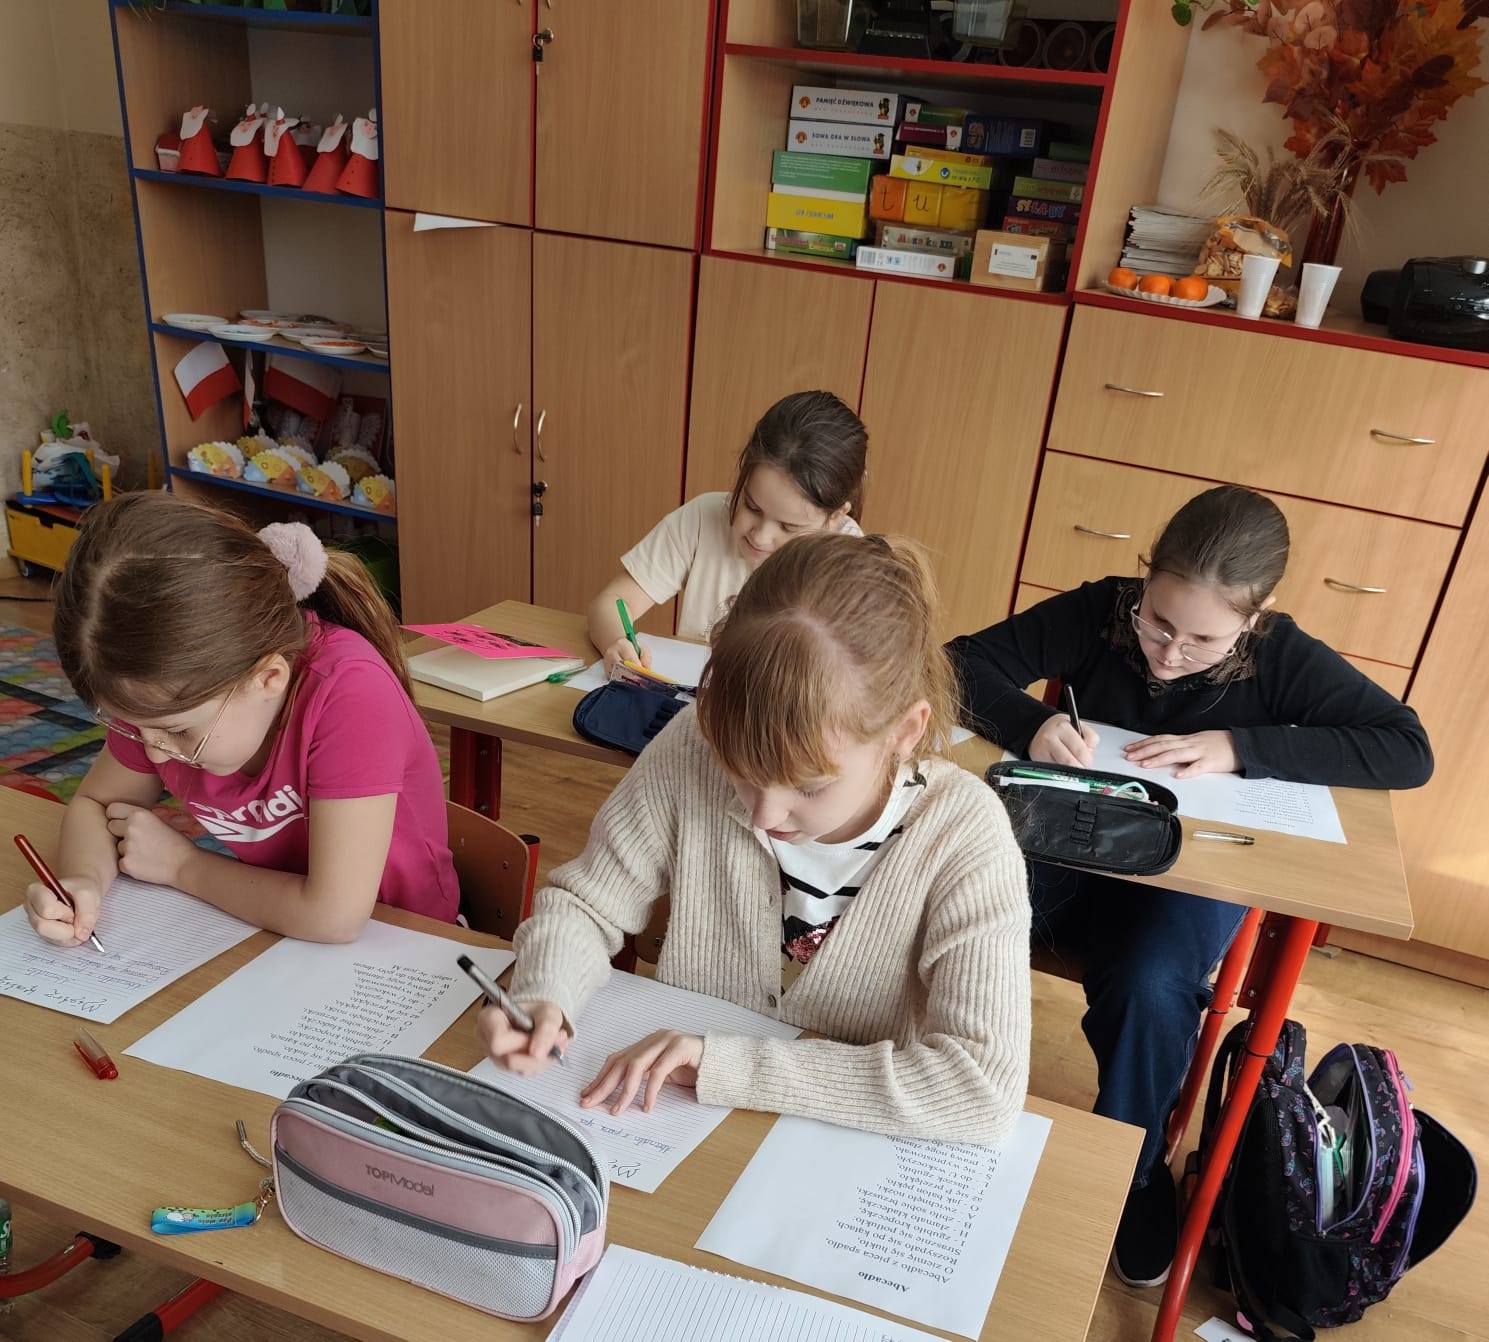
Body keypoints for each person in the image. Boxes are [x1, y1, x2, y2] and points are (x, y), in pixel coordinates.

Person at [946, 484, 1433, 1286]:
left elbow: (1405, 749)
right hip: (1072, 843)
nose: (1167, 654)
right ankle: (941, 1093)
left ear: (1255, 614)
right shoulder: (1101, 611)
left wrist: (1240, 747)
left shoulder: (1279, 656)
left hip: (1187, 878)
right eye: (1157, 623)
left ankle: (1132, 1167)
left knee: (1149, 981)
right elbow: (956, 663)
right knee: (963, 908)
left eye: (1201, 639)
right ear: (1144, 579)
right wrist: (1031, 723)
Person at [485, 531, 1031, 1145]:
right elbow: (588, 906)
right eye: (740, 772)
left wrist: (727, 1066)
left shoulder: (964, 835)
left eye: (810, 786)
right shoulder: (692, 744)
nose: (763, 815)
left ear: (904, 732)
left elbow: (982, 1088)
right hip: (674, 1127)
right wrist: (545, 994)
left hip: (830, 1144)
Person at [24, 492, 458, 947]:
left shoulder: (351, 695)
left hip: (407, 947)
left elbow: (335, 917)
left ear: (268, 678)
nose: (154, 752)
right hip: (272, 930)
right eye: (130, 726)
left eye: (177, 731)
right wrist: (83, 880)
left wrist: (183, 866)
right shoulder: (164, 699)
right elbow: (95, 804)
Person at [587, 390, 867, 676]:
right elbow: (612, 602)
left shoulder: (852, 566)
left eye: (788, 527)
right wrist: (617, 642)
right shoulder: (703, 517)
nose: (760, 536)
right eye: (751, 506)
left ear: (835, 518)